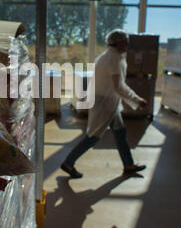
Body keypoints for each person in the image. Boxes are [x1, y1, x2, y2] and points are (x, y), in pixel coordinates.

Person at [61, 29, 147, 178]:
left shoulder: (109, 56)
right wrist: (136, 100)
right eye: (125, 41)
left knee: (120, 133)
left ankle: (128, 165)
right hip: (104, 104)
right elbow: (118, 86)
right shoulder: (113, 59)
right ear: (117, 42)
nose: (127, 44)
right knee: (93, 136)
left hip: (107, 102)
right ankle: (68, 162)